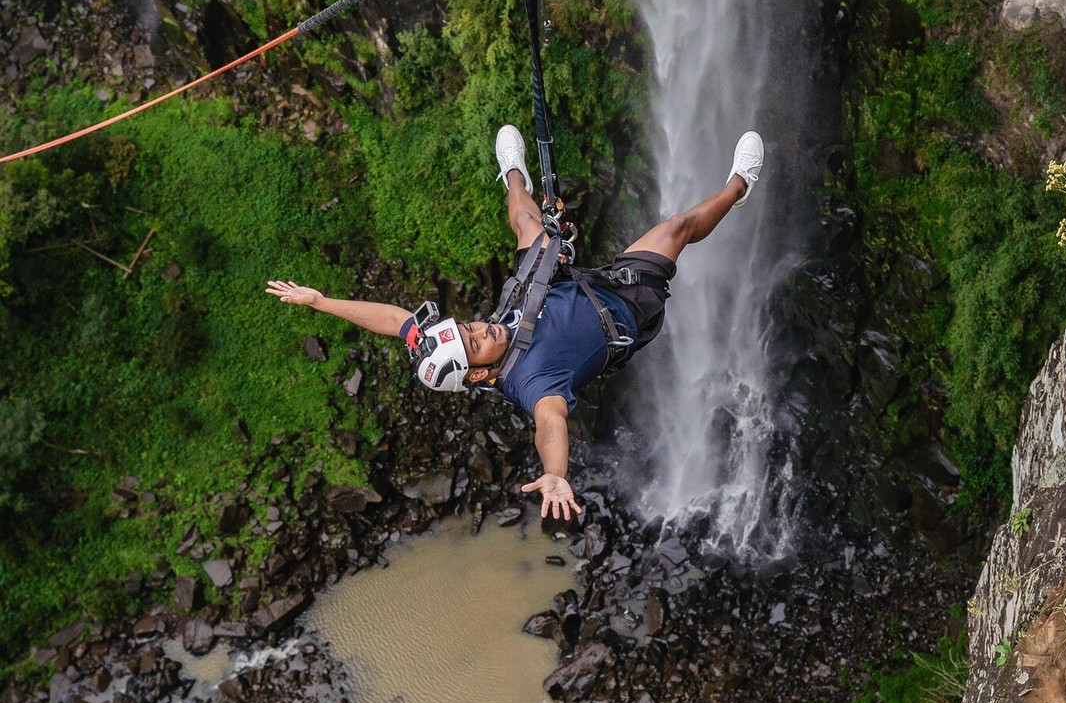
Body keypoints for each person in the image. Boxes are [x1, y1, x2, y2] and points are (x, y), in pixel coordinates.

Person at [267, 126, 764, 520]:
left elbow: (394, 321)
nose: (484, 330)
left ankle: (512, 173)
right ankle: (739, 187)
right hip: (622, 305)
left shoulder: (460, 338)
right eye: (476, 345)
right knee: (676, 229)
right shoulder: (532, 384)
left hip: (553, 288)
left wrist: (321, 301)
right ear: (479, 375)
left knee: (529, 225)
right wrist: (555, 474)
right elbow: (550, 425)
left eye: (470, 327)